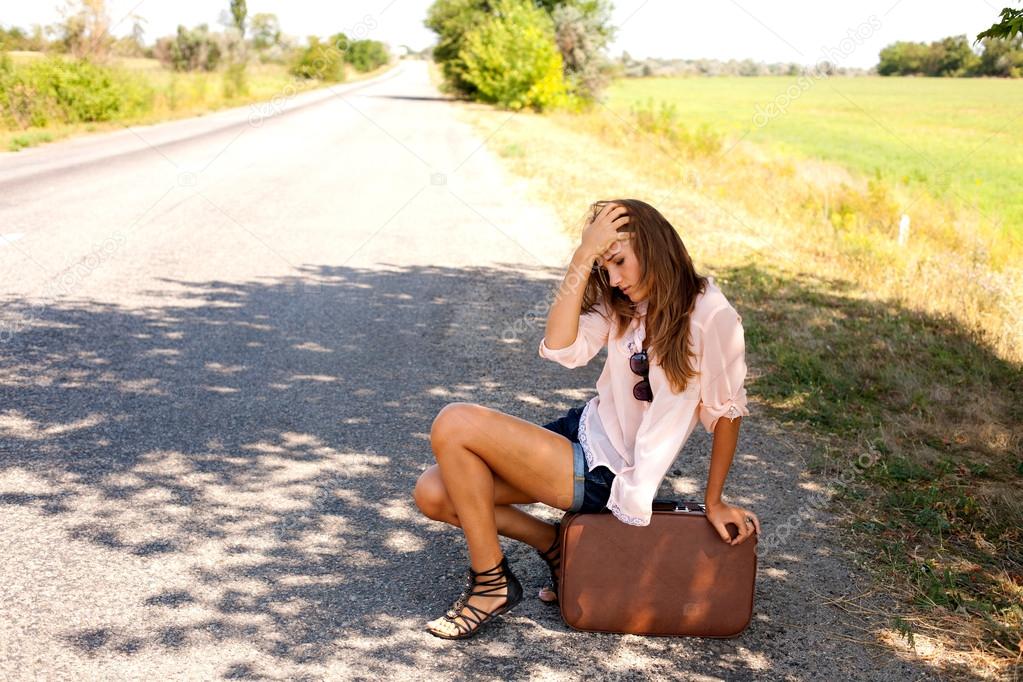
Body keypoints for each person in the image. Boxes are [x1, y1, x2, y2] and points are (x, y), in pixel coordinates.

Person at [412, 199, 758, 640]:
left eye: (618, 261)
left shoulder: (712, 315)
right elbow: (560, 346)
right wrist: (582, 257)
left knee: (454, 423)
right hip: (581, 434)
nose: (613, 279)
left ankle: (490, 584)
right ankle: (554, 544)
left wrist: (715, 500)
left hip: (606, 472)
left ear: (652, 246)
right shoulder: (624, 303)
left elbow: (727, 411)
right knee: (434, 493)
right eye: (604, 267)